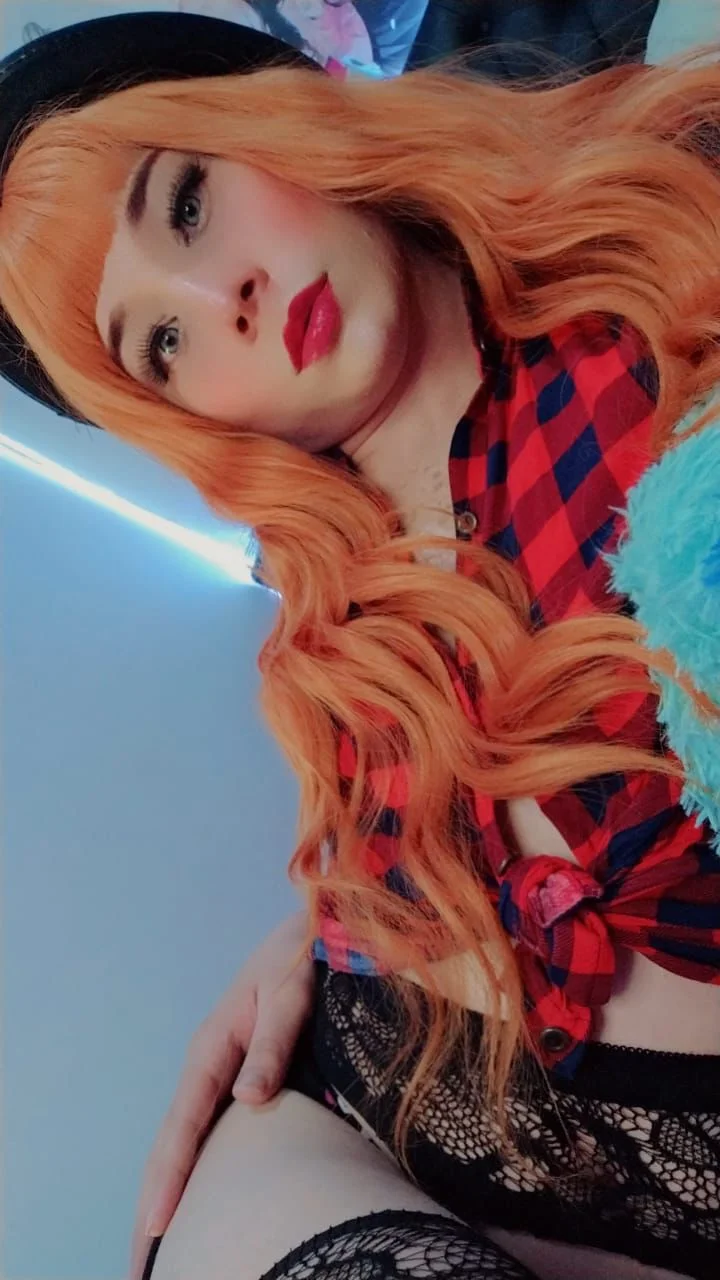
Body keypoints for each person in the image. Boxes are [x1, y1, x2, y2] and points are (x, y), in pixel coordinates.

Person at [1, 12, 719, 1280]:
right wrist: (323, 930)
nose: (221, 302)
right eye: (160, 344)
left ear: (287, 111)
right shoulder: (324, 640)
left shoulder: (666, 247)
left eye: (187, 204)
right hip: (344, 1134)